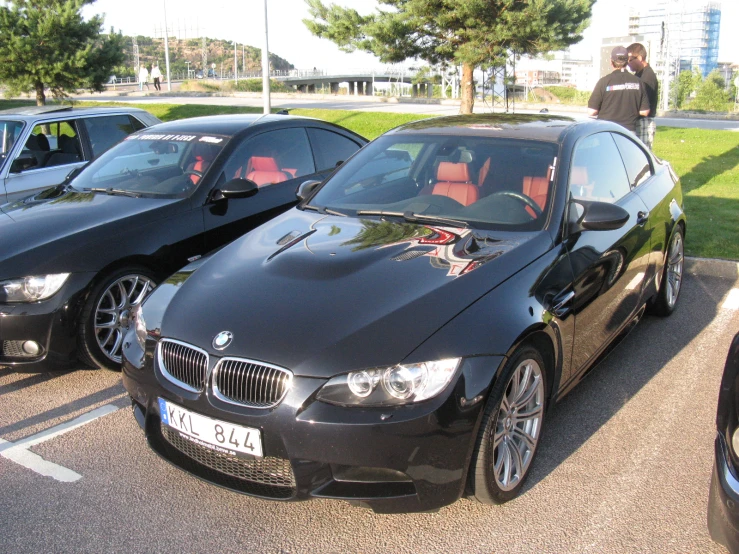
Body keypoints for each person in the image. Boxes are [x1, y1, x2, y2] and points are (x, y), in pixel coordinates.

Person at [588, 46, 649, 135]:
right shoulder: (639, 82)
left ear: (611, 62)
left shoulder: (604, 82)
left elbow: (592, 111)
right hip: (628, 133)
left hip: (606, 131)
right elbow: (644, 112)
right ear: (627, 61)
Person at [627, 42, 659, 150]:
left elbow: (644, 103)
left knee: (642, 155)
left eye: (630, 60)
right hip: (637, 121)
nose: (628, 64)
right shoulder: (638, 74)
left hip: (644, 122)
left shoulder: (647, 76)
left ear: (640, 58)